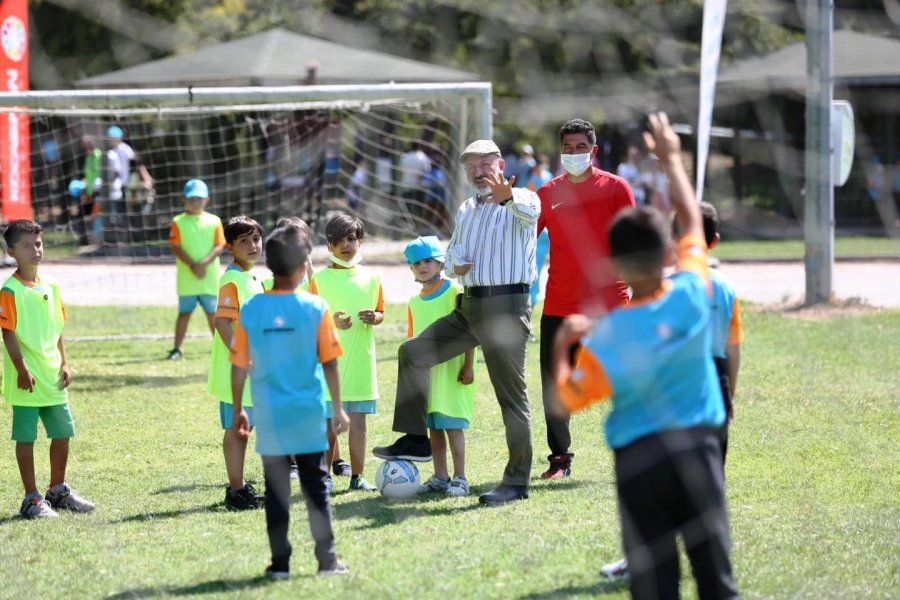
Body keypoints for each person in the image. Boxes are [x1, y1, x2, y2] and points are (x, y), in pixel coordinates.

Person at [554, 112, 739, 600]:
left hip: (639, 463)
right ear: (667, 256)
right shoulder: (693, 294)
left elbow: (566, 400)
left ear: (614, 264)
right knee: (716, 579)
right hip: (699, 451)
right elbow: (693, 221)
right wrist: (672, 160)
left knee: (654, 585)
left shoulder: (610, 334)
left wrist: (560, 346)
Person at [373, 139, 539, 506]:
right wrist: (455, 264)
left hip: (507, 308)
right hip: (470, 306)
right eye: (471, 166)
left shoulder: (523, 198)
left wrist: (509, 196)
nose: (478, 172)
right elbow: (451, 256)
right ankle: (416, 440)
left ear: (499, 163)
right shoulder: (466, 208)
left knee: (511, 399)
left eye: (484, 163)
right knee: (413, 353)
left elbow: (529, 215)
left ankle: (516, 482)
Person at [599, 201, 746, 584]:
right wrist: (730, 392)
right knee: (706, 487)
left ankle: (648, 559)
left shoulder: (665, 297)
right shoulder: (718, 288)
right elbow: (732, 349)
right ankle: (710, 559)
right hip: (711, 387)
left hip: (657, 401)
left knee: (656, 503)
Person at [231, 224, 350, 579]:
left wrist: (239, 407)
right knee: (317, 486)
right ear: (304, 267)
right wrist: (339, 407)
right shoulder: (316, 307)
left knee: (277, 489)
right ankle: (327, 561)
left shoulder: (252, 309)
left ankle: (279, 564)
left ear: (269, 266)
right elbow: (329, 363)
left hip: (269, 413)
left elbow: (238, 366)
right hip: (309, 412)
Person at [536, 118, 635, 479]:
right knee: (554, 385)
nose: (573, 153)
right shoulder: (546, 193)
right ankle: (560, 459)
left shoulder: (615, 188)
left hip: (609, 305)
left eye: (580, 147)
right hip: (559, 305)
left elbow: (634, 240)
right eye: (567, 148)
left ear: (593, 151)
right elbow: (522, 239)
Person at [1, 220, 95, 518]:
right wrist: (20, 367)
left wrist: (64, 362)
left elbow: (58, 328)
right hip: (26, 377)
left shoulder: (52, 286)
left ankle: (57, 490)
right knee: (26, 437)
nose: (35, 250)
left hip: (52, 375)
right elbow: (8, 332)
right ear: (12, 251)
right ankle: (31, 498)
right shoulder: (10, 290)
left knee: (62, 433)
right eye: (27, 245)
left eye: (38, 244)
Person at [309, 213, 384, 492]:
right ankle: (324, 478)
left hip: (363, 364)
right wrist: (332, 322)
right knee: (330, 425)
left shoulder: (372, 277)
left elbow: (381, 312)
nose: (346, 245)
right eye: (338, 241)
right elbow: (309, 319)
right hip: (331, 365)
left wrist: (374, 317)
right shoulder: (319, 279)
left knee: (359, 424)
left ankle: (358, 477)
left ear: (360, 242)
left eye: (351, 239)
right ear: (329, 246)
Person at [402, 236, 476, 497]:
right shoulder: (413, 302)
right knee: (433, 427)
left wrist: (469, 365)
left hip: (453, 372)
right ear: (411, 269)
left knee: (453, 425)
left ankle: (460, 477)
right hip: (426, 376)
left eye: (429, 261)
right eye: (417, 263)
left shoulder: (455, 292)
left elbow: (469, 331)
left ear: (441, 263)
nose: (423, 267)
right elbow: (412, 344)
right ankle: (440, 476)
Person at [207, 216, 268, 510]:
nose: (252, 245)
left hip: (251, 369)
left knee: (246, 426)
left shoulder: (253, 276)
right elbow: (222, 323)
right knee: (237, 427)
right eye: (244, 241)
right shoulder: (231, 279)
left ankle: (240, 485)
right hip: (237, 369)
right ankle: (235, 491)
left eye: (255, 239)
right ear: (230, 247)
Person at [167, 179, 225, 360]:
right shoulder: (178, 222)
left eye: (199, 199)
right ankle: (177, 348)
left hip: (208, 278)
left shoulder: (214, 221)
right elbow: (175, 246)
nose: (196, 202)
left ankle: (220, 349)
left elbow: (219, 245)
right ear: (184, 200)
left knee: (212, 315)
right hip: (188, 279)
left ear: (206, 200)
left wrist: (203, 264)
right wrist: (193, 266)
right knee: (184, 314)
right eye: (192, 199)